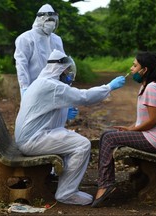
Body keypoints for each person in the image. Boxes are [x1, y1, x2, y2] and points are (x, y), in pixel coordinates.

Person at [14, 49, 125, 205]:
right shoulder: (52, 85)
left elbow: (42, 111)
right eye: (66, 71)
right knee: (82, 145)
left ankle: (62, 182)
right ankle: (67, 193)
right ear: (57, 69)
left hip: (30, 137)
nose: (69, 75)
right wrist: (108, 87)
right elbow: (83, 97)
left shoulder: (43, 82)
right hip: (32, 141)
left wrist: (65, 113)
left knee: (71, 139)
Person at [91, 51, 156, 208]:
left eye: (135, 65)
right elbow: (145, 121)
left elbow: (153, 121)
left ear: (144, 70)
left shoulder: (152, 89)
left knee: (109, 138)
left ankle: (105, 184)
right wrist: (130, 129)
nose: (131, 68)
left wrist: (131, 130)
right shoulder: (146, 87)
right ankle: (105, 181)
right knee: (107, 134)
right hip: (151, 136)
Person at [14, 3, 64, 97]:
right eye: (48, 20)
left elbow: (62, 64)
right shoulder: (25, 38)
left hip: (55, 88)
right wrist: (25, 88)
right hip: (33, 89)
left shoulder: (57, 39)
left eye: (53, 20)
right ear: (40, 19)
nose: (51, 23)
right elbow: (21, 65)